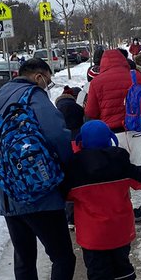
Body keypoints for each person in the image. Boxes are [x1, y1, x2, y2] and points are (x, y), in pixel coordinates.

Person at [0, 57, 77, 280]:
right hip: (39, 194)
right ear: (38, 77)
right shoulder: (34, 97)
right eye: (48, 80)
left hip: (7, 194)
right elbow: (58, 136)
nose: (48, 86)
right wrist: (67, 171)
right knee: (63, 256)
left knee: (24, 260)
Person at [65, 119, 141, 280]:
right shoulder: (120, 160)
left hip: (92, 237)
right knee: (123, 270)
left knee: (99, 278)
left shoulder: (75, 168)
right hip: (120, 232)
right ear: (109, 139)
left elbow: (67, 195)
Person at [84, 49, 141, 222]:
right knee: (136, 166)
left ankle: (119, 206)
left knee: (115, 170)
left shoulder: (97, 83)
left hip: (112, 135)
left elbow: (91, 112)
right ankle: (136, 208)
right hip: (135, 130)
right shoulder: (136, 75)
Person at [55, 85, 85, 229]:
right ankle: (78, 215)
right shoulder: (78, 108)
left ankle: (69, 218)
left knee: (67, 183)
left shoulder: (55, 111)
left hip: (64, 147)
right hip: (78, 144)